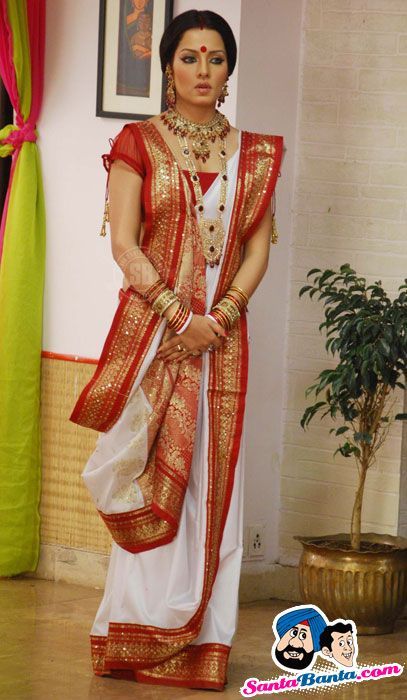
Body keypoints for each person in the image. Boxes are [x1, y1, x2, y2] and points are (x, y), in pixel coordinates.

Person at [69, 9, 284, 691]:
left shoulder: (253, 152)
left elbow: (255, 249)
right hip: (155, 342)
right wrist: (176, 316)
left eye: (215, 58)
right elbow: (124, 244)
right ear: (167, 65)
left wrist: (217, 317)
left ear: (228, 68)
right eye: (189, 57)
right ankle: (138, 632)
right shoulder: (138, 143)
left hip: (222, 341)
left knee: (209, 485)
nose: (202, 71)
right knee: (153, 477)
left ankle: (203, 641)